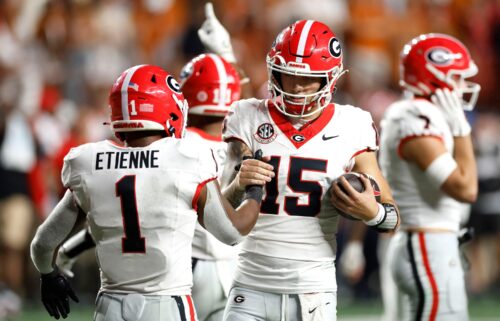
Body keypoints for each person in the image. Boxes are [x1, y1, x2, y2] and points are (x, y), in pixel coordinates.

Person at [30, 64, 265, 321]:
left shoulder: (88, 163)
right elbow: (231, 232)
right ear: (170, 109)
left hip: (110, 306)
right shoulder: (187, 157)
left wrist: (48, 274)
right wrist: (255, 190)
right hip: (168, 304)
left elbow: (43, 243)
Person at [216, 19, 400, 321]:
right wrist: (238, 185)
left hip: (314, 291)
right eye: (287, 75)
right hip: (250, 285)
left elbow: (392, 220)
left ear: (330, 79)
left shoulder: (352, 124)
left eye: (308, 79)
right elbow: (221, 209)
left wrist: (372, 212)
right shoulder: (246, 115)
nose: (296, 86)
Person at [379, 33, 480, 321]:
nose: (463, 86)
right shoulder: (413, 117)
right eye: (458, 78)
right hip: (424, 244)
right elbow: (465, 188)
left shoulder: (425, 116)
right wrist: (462, 132)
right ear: (436, 76)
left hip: (434, 244)